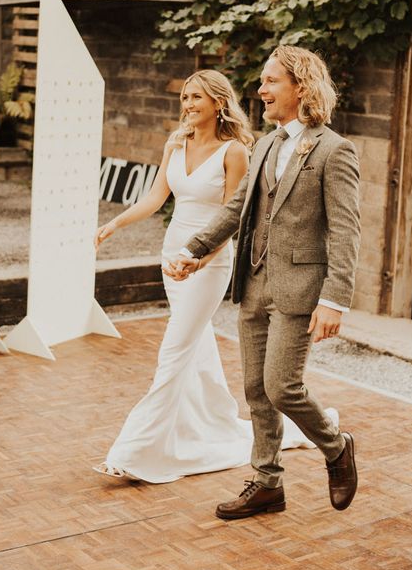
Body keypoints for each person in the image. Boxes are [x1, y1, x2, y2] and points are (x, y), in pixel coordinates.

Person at [92, 69, 323, 483]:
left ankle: (134, 450)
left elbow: (234, 217)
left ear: (218, 103)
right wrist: (115, 224)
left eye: (196, 97)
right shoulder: (175, 143)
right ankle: (214, 425)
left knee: (174, 351)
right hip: (171, 255)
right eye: (184, 97)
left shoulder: (235, 151)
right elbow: (154, 197)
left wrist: (201, 256)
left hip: (209, 263)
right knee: (195, 348)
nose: (188, 104)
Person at [167, 46, 361, 519]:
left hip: (299, 290)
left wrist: (335, 299)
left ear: (301, 87)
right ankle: (267, 482)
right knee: (255, 387)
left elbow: (345, 228)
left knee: (281, 386)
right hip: (254, 284)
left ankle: (336, 447)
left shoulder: (334, 150)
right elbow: (237, 209)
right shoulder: (267, 145)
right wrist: (195, 249)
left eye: (271, 81)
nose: (261, 90)